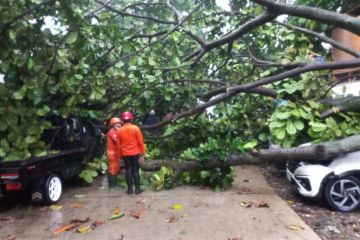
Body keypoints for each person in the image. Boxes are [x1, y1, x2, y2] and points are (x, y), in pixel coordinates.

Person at [116, 111, 146, 195]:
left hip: (125, 154)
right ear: (131, 119)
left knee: (128, 170)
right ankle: (137, 190)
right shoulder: (136, 128)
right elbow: (140, 142)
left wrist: (119, 156)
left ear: (123, 120)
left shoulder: (119, 131)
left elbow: (118, 145)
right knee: (135, 171)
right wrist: (143, 153)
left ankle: (129, 190)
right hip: (135, 153)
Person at [107, 117, 122, 189]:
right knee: (112, 169)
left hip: (115, 153)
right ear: (113, 124)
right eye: (117, 123)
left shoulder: (115, 131)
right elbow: (117, 140)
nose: (119, 125)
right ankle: (112, 185)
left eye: (119, 123)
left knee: (115, 169)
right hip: (112, 153)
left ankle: (115, 184)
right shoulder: (112, 131)